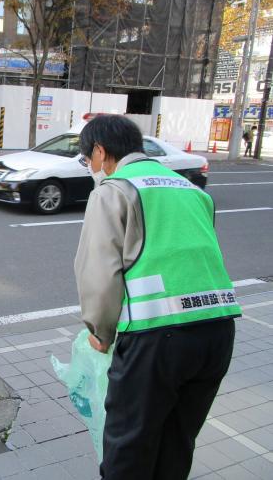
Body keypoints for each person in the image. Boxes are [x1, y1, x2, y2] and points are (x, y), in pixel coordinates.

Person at [74, 115, 240, 479]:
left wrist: (101, 333)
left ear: (100, 152)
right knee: (177, 440)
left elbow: (99, 274)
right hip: (218, 332)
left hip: (156, 339)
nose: (90, 167)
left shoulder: (114, 189)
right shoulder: (191, 189)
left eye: (87, 160)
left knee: (129, 448)